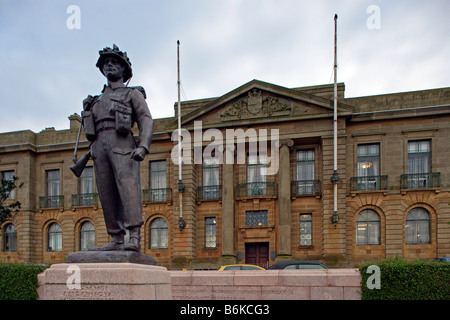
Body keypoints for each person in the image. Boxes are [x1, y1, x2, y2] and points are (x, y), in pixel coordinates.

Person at [82, 45, 153, 252]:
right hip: (99, 146)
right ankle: (116, 237)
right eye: (105, 63)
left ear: (124, 69)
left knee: (127, 188)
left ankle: (134, 236)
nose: (109, 65)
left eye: (114, 62)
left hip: (122, 144)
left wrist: (143, 146)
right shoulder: (95, 100)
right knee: (106, 192)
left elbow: (145, 120)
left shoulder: (132, 94)